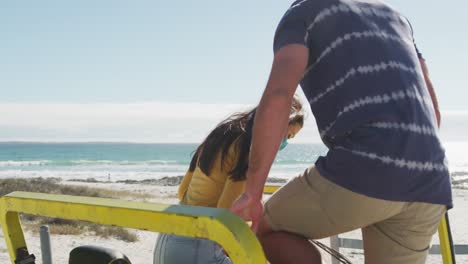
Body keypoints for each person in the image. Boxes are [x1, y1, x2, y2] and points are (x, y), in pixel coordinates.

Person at [231, 1, 452, 263]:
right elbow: (433, 112)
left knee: (263, 228)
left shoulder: (304, 13)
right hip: (431, 178)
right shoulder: (397, 18)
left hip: (367, 161)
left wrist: (253, 192)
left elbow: (280, 95)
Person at [153, 98, 304, 264]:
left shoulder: (220, 134)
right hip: (197, 246)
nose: (284, 143)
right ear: (275, 126)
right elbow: (227, 214)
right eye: (287, 136)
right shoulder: (248, 151)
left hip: (168, 239)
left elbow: (182, 191)